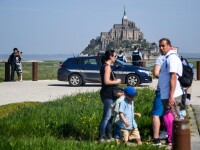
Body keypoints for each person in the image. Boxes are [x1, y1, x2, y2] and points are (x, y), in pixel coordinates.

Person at [158, 38, 183, 144]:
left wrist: (171, 96)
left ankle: (176, 140)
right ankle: (173, 138)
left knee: (173, 117)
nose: (161, 48)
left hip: (171, 94)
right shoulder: (167, 57)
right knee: (169, 116)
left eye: (163, 45)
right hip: (166, 93)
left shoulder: (171, 58)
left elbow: (173, 77)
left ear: (169, 46)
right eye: (160, 46)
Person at [99, 50, 121, 142]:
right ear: (110, 57)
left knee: (110, 117)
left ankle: (108, 137)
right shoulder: (107, 67)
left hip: (107, 93)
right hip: (108, 94)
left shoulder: (105, 66)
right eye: (115, 56)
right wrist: (116, 81)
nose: (115, 58)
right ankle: (100, 137)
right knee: (107, 117)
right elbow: (106, 81)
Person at [151, 55, 165, 145]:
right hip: (175, 91)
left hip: (162, 90)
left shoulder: (161, 58)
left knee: (155, 114)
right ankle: (170, 136)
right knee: (169, 113)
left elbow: (156, 73)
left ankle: (156, 139)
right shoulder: (176, 57)